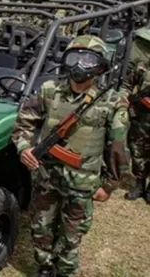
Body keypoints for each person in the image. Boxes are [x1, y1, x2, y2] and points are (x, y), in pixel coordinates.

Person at [12, 36, 130, 277]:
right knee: (41, 225)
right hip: (46, 176)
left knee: (72, 232)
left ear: (100, 66)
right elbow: (23, 123)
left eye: (88, 59)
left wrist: (108, 185)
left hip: (83, 182)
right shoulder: (49, 90)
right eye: (75, 57)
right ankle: (45, 266)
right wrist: (24, 148)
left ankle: (65, 271)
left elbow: (118, 147)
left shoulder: (111, 101)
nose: (80, 64)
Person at [121, 28, 150, 203]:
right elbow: (127, 81)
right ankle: (139, 183)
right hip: (142, 112)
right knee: (137, 148)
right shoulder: (140, 52)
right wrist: (124, 98)